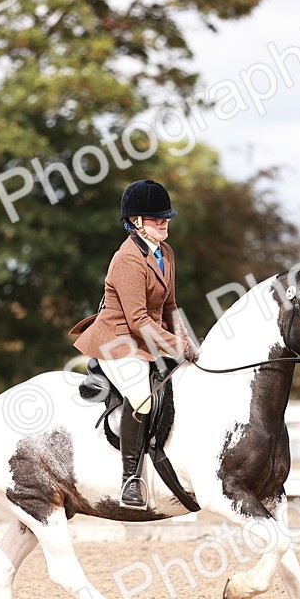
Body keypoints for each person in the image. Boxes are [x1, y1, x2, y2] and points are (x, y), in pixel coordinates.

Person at [69, 179, 199, 509]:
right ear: (136, 222)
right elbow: (138, 320)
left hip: (147, 337)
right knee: (141, 398)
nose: (164, 221)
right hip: (118, 341)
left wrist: (187, 340)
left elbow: (170, 305)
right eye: (157, 218)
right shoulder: (127, 260)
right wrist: (176, 346)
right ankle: (131, 479)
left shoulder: (165, 252)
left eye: (166, 216)